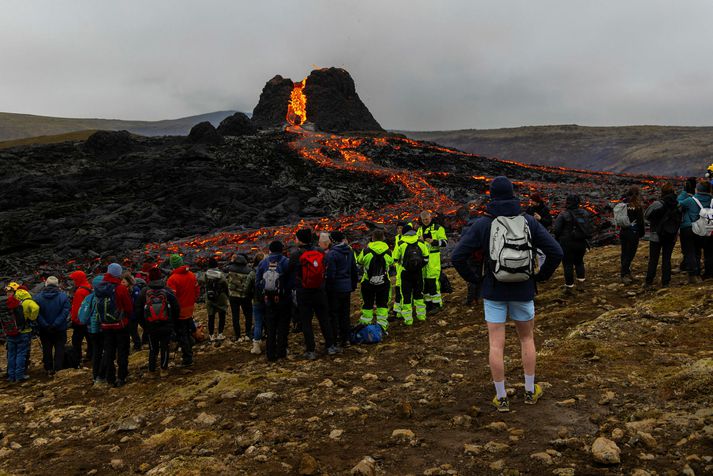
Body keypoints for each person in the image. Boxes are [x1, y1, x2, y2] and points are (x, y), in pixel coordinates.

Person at [452, 176, 563, 413]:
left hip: (493, 291)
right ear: (513, 194)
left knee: (496, 344)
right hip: (523, 289)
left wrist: (476, 280)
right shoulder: (529, 222)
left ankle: (501, 397)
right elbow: (556, 251)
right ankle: (530, 391)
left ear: (492, 196)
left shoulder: (483, 224)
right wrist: (539, 277)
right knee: (527, 339)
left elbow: (457, 256)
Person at [287, 228, 337, 360]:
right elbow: (325, 266)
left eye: (296, 238)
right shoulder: (319, 251)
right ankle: (330, 346)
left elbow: (289, 272)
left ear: (300, 240)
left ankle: (311, 350)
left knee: (306, 322)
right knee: (324, 318)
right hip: (320, 290)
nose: (295, 240)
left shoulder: (295, 254)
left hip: (304, 292)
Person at [136, 267, 180, 376]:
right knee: (165, 347)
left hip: (150, 326)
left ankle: (151, 370)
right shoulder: (167, 291)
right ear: (161, 277)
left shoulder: (144, 292)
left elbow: (138, 310)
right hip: (166, 324)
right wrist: (172, 322)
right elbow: (176, 307)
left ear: (149, 278)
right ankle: (163, 370)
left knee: (153, 348)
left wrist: (144, 325)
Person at [96, 263, 133, 387]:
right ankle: (121, 377)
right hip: (120, 325)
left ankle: (110, 378)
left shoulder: (99, 287)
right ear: (118, 274)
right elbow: (128, 307)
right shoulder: (120, 288)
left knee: (109, 351)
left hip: (106, 325)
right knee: (122, 351)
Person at [256, 241, 290, 361]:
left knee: (270, 326)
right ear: (281, 250)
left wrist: (264, 295)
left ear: (269, 250)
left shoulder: (262, 263)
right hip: (284, 300)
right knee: (283, 326)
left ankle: (270, 353)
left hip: (268, 300)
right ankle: (281, 351)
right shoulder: (286, 262)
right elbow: (291, 281)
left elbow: (258, 282)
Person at [644, 182, 681, 288]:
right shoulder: (678, 204)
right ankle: (666, 282)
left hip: (656, 234)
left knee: (653, 259)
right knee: (667, 259)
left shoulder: (657, 204)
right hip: (671, 235)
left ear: (662, 192)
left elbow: (646, 215)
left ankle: (649, 281)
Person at [325, 231, 358, 347]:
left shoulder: (332, 254)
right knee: (345, 313)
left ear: (333, 240)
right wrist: (353, 285)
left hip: (336, 289)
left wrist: (328, 288)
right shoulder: (349, 251)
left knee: (334, 314)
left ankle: (335, 339)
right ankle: (346, 339)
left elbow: (331, 274)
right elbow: (354, 269)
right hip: (346, 287)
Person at [357, 229, 394, 331]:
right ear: (383, 239)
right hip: (383, 283)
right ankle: (382, 326)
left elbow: (359, 261)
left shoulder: (366, 251)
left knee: (367, 304)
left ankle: (365, 324)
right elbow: (391, 263)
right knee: (382, 304)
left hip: (368, 283)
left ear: (372, 238)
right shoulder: (388, 252)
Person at [392, 224, 429, 325]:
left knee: (406, 296)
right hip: (418, 273)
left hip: (405, 273)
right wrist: (419, 266)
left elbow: (394, 259)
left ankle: (408, 320)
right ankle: (421, 316)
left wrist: (401, 263)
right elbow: (426, 258)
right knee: (419, 294)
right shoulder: (421, 242)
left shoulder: (401, 243)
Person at [167, 254, 200, 367]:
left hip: (179, 312)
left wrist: (171, 311)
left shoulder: (172, 279)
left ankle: (187, 359)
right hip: (189, 309)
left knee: (182, 334)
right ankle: (190, 345)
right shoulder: (191, 275)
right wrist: (192, 301)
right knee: (187, 329)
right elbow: (197, 291)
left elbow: (171, 298)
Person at [553, 194, 591, 293]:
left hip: (566, 243)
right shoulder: (585, 213)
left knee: (568, 264)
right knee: (579, 262)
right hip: (581, 242)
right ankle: (581, 283)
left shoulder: (563, 214)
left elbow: (556, 230)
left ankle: (569, 287)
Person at [34, 276, 71, 377]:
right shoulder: (63, 297)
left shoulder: (37, 297)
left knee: (47, 349)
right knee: (59, 348)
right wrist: (55, 324)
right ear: (57, 285)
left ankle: (48, 369)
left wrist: (45, 325)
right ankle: (58, 369)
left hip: (44, 329)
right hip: (59, 329)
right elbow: (65, 312)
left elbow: (37, 314)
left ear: (46, 284)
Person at [680, 180, 713, 283]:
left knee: (694, 252)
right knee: (710, 253)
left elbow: (678, 204)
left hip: (694, 229)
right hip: (710, 230)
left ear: (697, 190)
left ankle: (694, 274)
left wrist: (684, 192)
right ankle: (709, 274)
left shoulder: (690, 200)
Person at [4, 283, 38, 382]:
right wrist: (31, 318)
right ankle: (19, 375)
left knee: (11, 354)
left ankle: (10, 376)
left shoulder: (5, 304)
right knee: (21, 354)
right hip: (23, 332)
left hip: (10, 332)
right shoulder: (19, 303)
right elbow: (35, 308)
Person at [416, 211, 448, 314]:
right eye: (423, 220)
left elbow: (444, 243)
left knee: (433, 281)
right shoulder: (420, 229)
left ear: (430, 218)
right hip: (423, 258)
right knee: (424, 282)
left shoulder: (438, 228)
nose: (425, 221)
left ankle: (437, 304)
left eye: (427, 219)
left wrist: (432, 241)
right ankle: (428, 304)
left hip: (433, 257)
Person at [78, 275, 106, 384]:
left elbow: (83, 316)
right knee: (107, 352)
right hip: (104, 329)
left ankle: (95, 375)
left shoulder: (89, 298)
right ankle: (103, 375)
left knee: (96, 352)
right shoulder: (106, 296)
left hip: (91, 330)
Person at [619, 186, 645, 284]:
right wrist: (641, 233)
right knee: (630, 254)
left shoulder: (623, 204)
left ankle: (627, 273)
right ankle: (624, 274)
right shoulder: (637, 206)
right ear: (638, 194)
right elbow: (640, 222)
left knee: (624, 253)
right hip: (633, 234)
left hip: (623, 232)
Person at [226, 254, 255, 342]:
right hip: (245, 296)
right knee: (248, 315)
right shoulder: (249, 271)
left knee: (235, 316)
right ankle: (248, 333)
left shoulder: (230, 269)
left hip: (233, 296)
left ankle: (237, 335)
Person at [203, 257, 230, 342]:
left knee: (211, 316)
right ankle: (220, 334)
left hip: (210, 297)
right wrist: (228, 296)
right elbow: (225, 284)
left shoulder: (206, 274)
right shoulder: (220, 274)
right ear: (216, 265)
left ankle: (211, 335)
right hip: (220, 297)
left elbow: (205, 284)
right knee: (222, 315)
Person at [68, 271, 93, 363]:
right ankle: (91, 355)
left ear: (77, 279)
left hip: (80, 320)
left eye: (74, 279)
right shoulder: (89, 286)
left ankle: (77, 358)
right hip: (89, 318)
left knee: (76, 340)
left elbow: (76, 307)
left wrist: (74, 319)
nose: (73, 281)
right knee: (90, 338)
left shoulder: (80, 291)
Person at [677, 177, 698, 273]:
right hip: (698, 226)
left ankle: (691, 270)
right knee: (695, 249)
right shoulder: (698, 197)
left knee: (687, 249)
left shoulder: (688, 199)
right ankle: (690, 266)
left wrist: (684, 192)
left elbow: (677, 203)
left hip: (687, 226)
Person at [122, 272, 146, 351]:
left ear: (128, 281)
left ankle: (137, 345)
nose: (122, 283)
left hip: (134, 315)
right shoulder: (124, 289)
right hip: (127, 315)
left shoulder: (135, 290)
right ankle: (129, 346)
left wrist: (135, 314)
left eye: (123, 282)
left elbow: (137, 303)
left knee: (133, 331)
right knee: (128, 332)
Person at [250, 252, 266, 355]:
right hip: (268, 300)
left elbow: (247, 288)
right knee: (269, 321)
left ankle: (256, 345)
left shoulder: (252, 273)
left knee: (258, 323)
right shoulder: (268, 270)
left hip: (256, 300)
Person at [391, 221, 407, 319]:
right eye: (398, 228)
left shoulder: (407, 239)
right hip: (398, 268)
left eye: (401, 228)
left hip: (405, 267)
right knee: (398, 289)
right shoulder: (397, 238)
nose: (399, 230)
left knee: (402, 289)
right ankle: (397, 310)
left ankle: (399, 311)